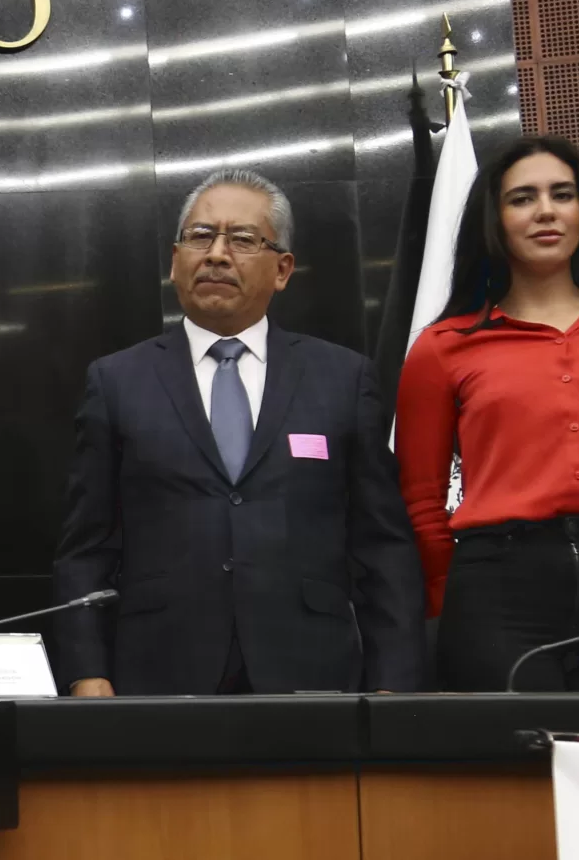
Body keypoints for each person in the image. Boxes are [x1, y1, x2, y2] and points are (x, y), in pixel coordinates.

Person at [53, 171, 426, 695]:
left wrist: (394, 681)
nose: (217, 255)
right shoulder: (117, 381)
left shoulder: (342, 378)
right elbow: (85, 547)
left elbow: (382, 544)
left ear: (283, 269)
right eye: (201, 236)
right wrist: (86, 672)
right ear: (175, 260)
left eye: (243, 239)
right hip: (160, 668)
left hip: (310, 668)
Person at [396, 137, 579, 691]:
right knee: (512, 749)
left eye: (562, 194)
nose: (546, 211)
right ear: (495, 219)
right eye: (522, 198)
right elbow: (421, 496)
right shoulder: (442, 347)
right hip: (498, 591)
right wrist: (447, 590)